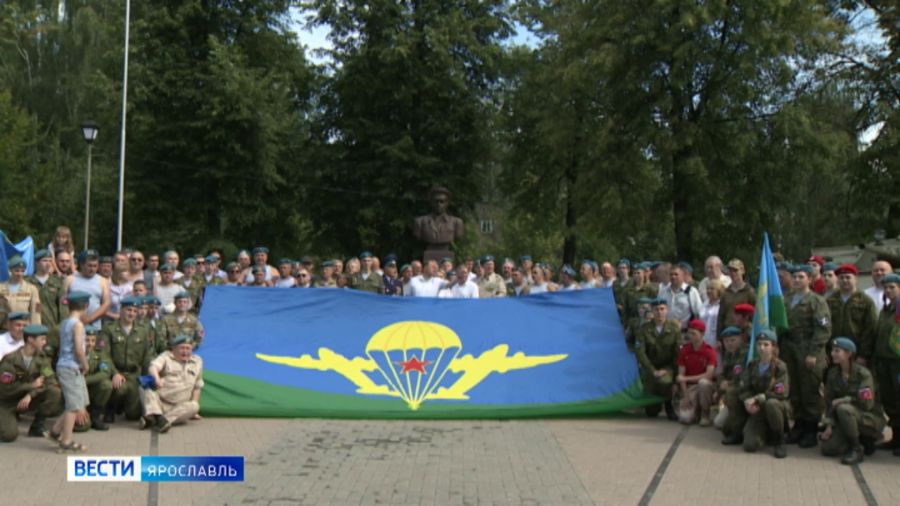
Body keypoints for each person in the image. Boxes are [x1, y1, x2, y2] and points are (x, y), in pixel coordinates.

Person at [783, 264, 831, 448]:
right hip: (789, 348)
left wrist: (813, 353)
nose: (796, 280)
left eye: (801, 277)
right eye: (794, 277)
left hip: (808, 348)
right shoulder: (786, 299)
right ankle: (799, 425)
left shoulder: (817, 301)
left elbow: (823, 329)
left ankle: (811, 428)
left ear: (810, 279)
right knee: (794, 388)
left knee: (809, 389)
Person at [819, 337, 884, 464]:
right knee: (828, 449)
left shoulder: (863, 374)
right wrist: (830, 424)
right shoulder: (832, 374)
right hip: (846, 418)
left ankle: (857, 448)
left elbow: (866, 403)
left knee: (843, 408)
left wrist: (844, 400)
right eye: (832, 350)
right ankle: (859, 440)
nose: (832, 354)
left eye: (837, 351)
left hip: (868, 417)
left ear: (849, 354)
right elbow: (829, 402)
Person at [0, 323, 63, 442]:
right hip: (7, 401)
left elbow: (50, 380)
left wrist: (30, 394)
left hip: (27, 398)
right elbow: (4, 389)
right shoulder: (11, 360)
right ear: (30, 340)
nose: (45, 342)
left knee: (54, 392)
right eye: (42, 339)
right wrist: (30, 386)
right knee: (8, 435)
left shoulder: (42, 358)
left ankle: (37, 425)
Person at [734, 329, 789, 458]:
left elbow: (781, 392)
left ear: (773, 346)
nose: (762, 348)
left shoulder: (780, 367)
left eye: (766, 344)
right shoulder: (753, 365)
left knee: (772, 403)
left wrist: (758, 398)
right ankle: (764, 434)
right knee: (749, 445)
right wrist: (747, 401)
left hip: (776, 408)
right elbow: (744, 387)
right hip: (757, 409)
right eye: (759, 344)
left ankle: (779, 439)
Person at [98, 296, 153, 422]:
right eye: (129, 310)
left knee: (134, 416)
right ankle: (110, 408)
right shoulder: (109, 329)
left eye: (134, 311)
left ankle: (125, 406)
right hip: (117, 372)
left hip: (134, 375)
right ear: (121, 310)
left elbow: (147, 356)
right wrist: (114, 373)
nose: (132, 313)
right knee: (118, 389)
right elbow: (103, 354)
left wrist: (146, 379)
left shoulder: (143, 330)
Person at [48, 291, 91, 452]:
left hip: (65, 365)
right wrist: (85, 364)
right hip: (71, 366)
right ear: (85, 306)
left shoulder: (65, 322)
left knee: (79, 401)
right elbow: (79, 349)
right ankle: (66, 441)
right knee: (73, 406)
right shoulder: (78, 325)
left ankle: (55, 431)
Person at [139, 334, 204, 433]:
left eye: (188, 348)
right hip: (160, 401)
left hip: (179, 406)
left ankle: (157, 419)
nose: (185, 351)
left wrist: (194, 411)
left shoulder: (197, 361)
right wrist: (156, 379)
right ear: (173, 349)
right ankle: (158, 417)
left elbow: (197, 386)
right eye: (182, 348)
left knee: (195, 406)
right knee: (145, 385)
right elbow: (153, 367)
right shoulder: (166, 356)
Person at [635, 298, 681, 420]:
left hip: (668, 368)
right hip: (651, 368)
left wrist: (674, 375)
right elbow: (640, 353)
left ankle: (669, 406)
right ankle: (655, 403)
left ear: (667, 310)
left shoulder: (674, 329)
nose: (659, 312)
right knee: (651, 412)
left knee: (665, 381)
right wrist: (653, 370)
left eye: (662, 309)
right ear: (652, 311)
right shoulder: (644, 329)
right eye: (656, 310)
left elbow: (678, 354)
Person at [827, 264, 877, 366]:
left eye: (848, 277)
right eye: (841, 277)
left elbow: (870, 329)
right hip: (834, 351)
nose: (845, 280)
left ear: (856, 279)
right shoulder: (830, 301)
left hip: (857, 351)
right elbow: (825, 326)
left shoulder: (866, 301)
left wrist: (863, 355)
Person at [872, 273, 900, 456]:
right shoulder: (886, 310)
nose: (888, 291)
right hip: (884, 362)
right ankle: (896, 438)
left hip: (898, 363)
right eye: (886, 287)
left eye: (892, 287)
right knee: (890, 402)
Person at [675, 319, 717, 425]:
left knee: (704, 383)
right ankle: (695, 411)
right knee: (685, 418)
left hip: (704, 386)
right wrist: (685, 396)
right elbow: (681, 375)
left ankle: (705, 413)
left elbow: (709, 375)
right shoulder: (685, 350)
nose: (690, 336)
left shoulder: (709, 351)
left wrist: (685, 378)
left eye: (694, 333)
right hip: (690, 388)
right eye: (689, 333)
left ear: (702, 334)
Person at [412, 187, 465, 262]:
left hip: (446, 250)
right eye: (436, 202)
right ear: (431, 203)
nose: (438, 204)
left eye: (442, 202)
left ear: (447, 203)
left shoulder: (457, 222)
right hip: (429, 250)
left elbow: (458, 235)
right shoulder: (420, 222)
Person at [64, 249, 111, 329]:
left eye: (95, 266)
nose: (92, 269)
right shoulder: (70, 279)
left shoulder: (103, 281)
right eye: (89, 265)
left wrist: (90, 319)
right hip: (73, 324)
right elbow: (63, 301)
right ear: (82, 265)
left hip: (95, 326)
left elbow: (106, 303)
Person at [717, 326, 749, 441]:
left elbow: (742, 376)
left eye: (733, 340)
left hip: (742, 392)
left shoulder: (745, 353)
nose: (729, 344)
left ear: (741, 339)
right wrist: (721, 385)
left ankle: (739, 429)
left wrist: (728, 383)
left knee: (723, 425)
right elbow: (721, 375)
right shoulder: (728, 354)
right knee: (718, 423)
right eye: (726, 341)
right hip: (731, 392)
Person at [26, 249, 67, 328]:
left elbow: (63, 308)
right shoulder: (27, 282)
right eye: (44, 261)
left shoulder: (58, 282)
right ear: (37, 262)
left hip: (52, 327)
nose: (48, 264)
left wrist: (62, 327)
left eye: (50, 261)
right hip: (31, 326)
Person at [82, 324, 111, 431]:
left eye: (92, 341)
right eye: (86, 340)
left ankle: (95, 416)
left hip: (91, 389)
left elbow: (105, 372)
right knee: (82, 427)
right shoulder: (73, 354)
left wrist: (86, 380)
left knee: (106, 385)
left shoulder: (99, 353)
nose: (90, 344)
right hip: (76, 391)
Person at [0, 256, 42, 327]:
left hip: (23, 328)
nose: (19, 273)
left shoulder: (32, 289)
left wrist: (35, 329)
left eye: (22, 271)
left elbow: (36, 311)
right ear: (10, 270)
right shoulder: (1, 288)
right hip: (4, 328)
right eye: (16, 270)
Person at [717, 259, 755, 332]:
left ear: (742, 271)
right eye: (730, 271)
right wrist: (719, 337)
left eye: (735, 270)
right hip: (727, 330)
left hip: (744, 332)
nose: (733, 273)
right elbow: (721, 316)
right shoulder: (725, 292)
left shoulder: (750, 291)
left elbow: (755, 313)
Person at [666, 264, 702, 330]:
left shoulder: (691, 291)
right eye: (671, 274)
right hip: (667, 332)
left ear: (683, 276)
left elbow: (698, 313)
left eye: (676, 274)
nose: (673, 277)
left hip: (684, 332)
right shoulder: (664, 291)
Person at [699, 280, 723, 348]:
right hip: (703, 339)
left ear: (719, 290)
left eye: (712, 289)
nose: (709, 291)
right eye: (707, 289)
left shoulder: (722, 305)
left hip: (716, 340)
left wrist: (720, 340)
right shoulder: (704, 304)